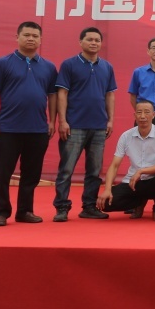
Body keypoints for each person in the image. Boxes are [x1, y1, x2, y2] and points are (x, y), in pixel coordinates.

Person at [0, 21, 58, 226]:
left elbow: (52, 96)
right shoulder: (2, 63)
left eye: (35, 36)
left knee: (31, 174)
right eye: (26, 35)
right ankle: (0, 212)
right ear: (17, 37)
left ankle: (25, 211)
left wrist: (52, 121)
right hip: (7, 129)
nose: (31, 39)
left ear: (41, 40)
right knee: (3, 173)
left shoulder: (49, 67)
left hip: (38, 129)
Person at [52, 26, 117, 222]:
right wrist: (62, 121)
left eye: (97, 40)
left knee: (94, 171)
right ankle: (62, 207)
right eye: (90, 39)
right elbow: (62, 93)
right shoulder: (69, 65)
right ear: (80, 42)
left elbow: (110, 95)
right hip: (74, 126)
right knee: (66, 170)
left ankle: (89, 206)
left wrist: (110, 119)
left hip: (99, 126)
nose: (94, 43)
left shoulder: (107, 67)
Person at [96, 101, 155, 221]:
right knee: (105, 204)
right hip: (133, 183)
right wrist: (107, 189)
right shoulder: (126, 136)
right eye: (139, 112)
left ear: (153, 115)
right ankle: (139, 202)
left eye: (147, 112)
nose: (143, 116)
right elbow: (114, 165)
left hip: (154, 180)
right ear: (134, 115)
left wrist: (141, 171)